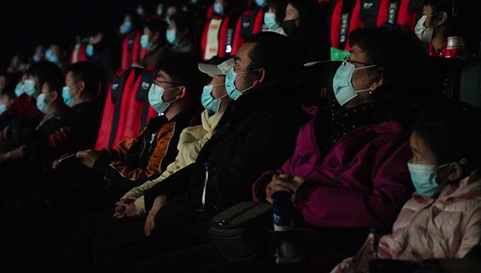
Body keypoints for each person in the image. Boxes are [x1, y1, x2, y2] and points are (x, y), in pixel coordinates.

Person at [127, 28, 430, 273]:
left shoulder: (395, 140)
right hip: (270, 237)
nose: (342, 69)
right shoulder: (318, 121)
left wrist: (305, 195)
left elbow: (384, 208)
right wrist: (268, 184)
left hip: (316, 252)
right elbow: (278, 173)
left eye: (352, 62)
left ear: (378, 79)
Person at [61, 32, 304, 273]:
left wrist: (163, 209)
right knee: (87, 235)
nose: (231, 72)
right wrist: (158, 194)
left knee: (107, 244)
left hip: (215, 225)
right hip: (190, 211)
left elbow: (229, 183)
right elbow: (200, 167)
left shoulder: (271, 119)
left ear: (258, 76)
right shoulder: (244, 112)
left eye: (237, 65)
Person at [332, 102, 481, 273]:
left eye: (418, 156)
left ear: (453, 170)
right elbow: (388, 249)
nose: (411, 163)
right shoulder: (418, 201)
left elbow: (471, 267)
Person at [114, 57, 233, 218]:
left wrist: (142, 201)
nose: (207, 86)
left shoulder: (202, 129)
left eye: (212, 80)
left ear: (231, 85)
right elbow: (171, 171)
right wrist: (134, 195)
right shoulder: (191, 128)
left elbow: (183, 176)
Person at [74, 53, 203, 199]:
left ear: (180, 91)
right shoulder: (159, 123)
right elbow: (128, 150)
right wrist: (92, 155)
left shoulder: (181, 129)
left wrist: (101, 164)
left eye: (159, 81)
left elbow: (150, 179)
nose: (154, 86)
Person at [282, 0, 329, 64]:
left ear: (304, 14)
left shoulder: (318, 47)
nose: (285, 19)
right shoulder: (290, 44)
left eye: (289, 13)